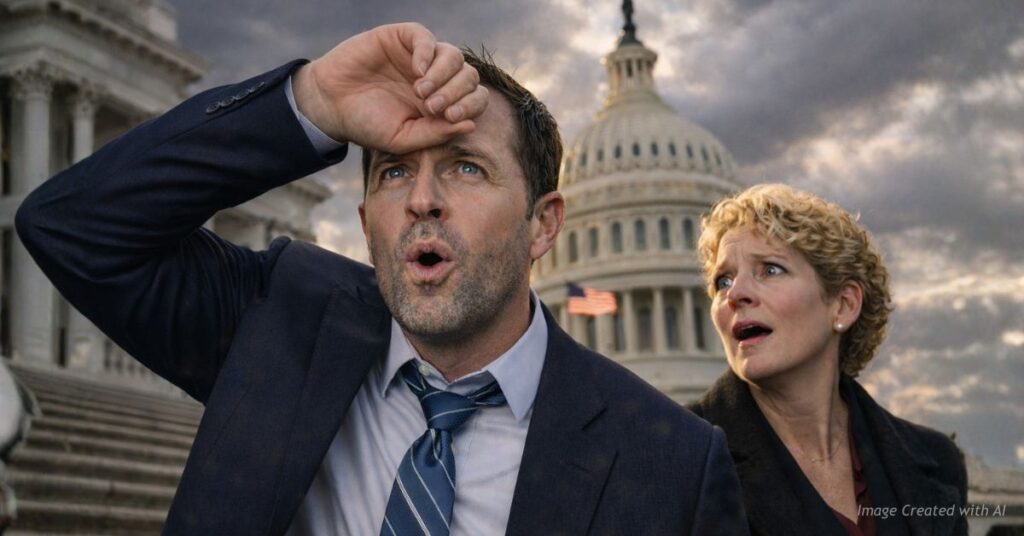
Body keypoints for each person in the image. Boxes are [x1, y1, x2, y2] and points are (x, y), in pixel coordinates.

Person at [16, 23, 747, 535]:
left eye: (465, 166)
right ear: (367, 224)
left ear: (544, 224)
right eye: (396, 171)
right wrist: (310, 100)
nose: (422, 199)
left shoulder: (670, 463)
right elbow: (72, 227)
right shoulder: (279, 327)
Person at [687, 184, 967, 536]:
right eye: (723, 281)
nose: (735, 294)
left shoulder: (936, 461)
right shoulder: (679, 460)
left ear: (844, 305)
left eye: (770, 270)